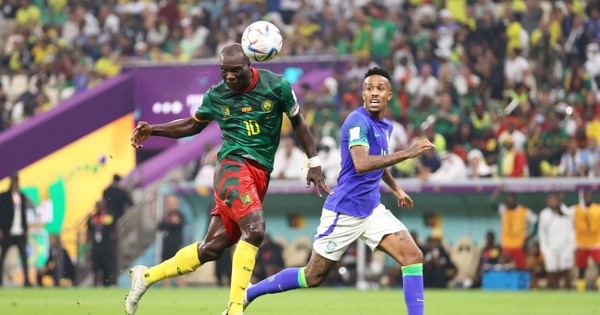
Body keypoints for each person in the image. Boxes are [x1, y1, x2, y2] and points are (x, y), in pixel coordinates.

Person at [125, 43, 331, 315]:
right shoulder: (217, 95)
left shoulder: (277, 86)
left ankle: (146, 277)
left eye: (235, 71)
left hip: (260, 174)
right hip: (232, 167)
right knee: (255, 230)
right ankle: (235, 308)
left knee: (211, 249)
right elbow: (193, 125)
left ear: (250, 66)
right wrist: (154, 130)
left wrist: (313, 161)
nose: (229, 77)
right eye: (224, 71)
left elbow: (298, 122)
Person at [245, 67, 435, 315]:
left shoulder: (384, 126)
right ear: (363, 94)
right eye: (369, 89)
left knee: (412, 256)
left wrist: (397, 189)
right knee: (313, 276)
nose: (374, 93)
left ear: (390, 95)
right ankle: (250, 292)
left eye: (380, 88)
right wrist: (408, 152)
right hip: (345, 210)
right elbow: (362, 163)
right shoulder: (358, 121)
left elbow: (380, 161)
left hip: (371, 209)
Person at [491, 190, 538, 270]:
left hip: (519, 246)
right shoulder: (503, 209)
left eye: (510, 198)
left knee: (521, 269)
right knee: (504, 269)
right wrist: (498, 190)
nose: (508, 201)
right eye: (506, 199)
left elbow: (536, 221)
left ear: (514, 199)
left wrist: (532, 234)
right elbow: (490, 204)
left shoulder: (524, 211)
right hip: (506, 247)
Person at [0, 174, 33, 287]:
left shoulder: (22, 196)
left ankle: (27, 281)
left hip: (19, 232)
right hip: (7, 232)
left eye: (17, 181)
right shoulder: (3, 197)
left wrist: (26, 230)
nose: (15, 183)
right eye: (14, 181)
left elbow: (24, 215)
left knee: (24, 257)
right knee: (2, 257)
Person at [537, 193, 575, 289]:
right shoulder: (544, 214)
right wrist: (544, 249)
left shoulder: (567, 211)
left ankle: (568, 291)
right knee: (551, 269)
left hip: (565, 246)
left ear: (558, 201)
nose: (552, 202)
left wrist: (572, 246)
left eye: (554, 200)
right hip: (550, 247)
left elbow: (572, 230)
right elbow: (542, 233)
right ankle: (553, 291)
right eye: (550, 200)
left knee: (566, 269)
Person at [571, 189, 600, 292]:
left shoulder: (597, 209)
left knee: (599, 264)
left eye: (588, 194)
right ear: (582, 196)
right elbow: (565, 213)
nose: (587, 196)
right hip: (582, 243)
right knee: (581, 267)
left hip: (595, 242)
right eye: (585, 194)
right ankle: (581, 290)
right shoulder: (576, 209)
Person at [88, 199, 117, 287]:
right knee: (95, 268)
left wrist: (115, 245)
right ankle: (95, 286)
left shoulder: (109, 216)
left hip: (107, 246)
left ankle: (107, 285)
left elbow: (114, 229)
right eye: (97, 205)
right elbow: (89, 232)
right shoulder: (92, 217)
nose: (99, 207)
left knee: (108, 268)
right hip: (96, 246)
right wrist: (88, 247)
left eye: (101, 205)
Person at [157, 195, 185, 288]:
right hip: (167, 243)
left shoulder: (180, 215)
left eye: (173, 203)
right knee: (166, 264)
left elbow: (180, 225)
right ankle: (166, 285)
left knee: (180, 264)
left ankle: (181, 285)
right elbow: (160, 226)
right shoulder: (166, 215)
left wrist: (171, 224)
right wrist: (171, 223)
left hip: (177, 243)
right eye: (169, 203)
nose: (171, 205)